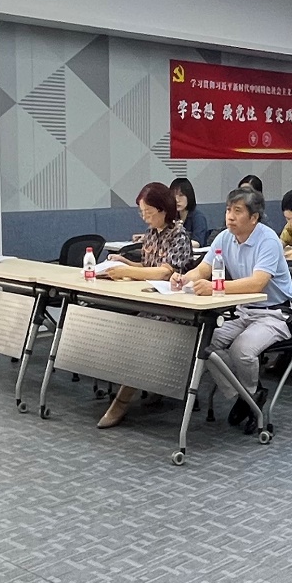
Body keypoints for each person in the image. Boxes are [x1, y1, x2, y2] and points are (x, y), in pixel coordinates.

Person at [172, 188, 292, 426]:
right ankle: (246, 396)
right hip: (242, 311)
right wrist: (184, 278)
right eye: (228, 210)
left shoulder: (268, 240)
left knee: (242, 349)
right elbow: (203, 269)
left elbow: (257, 283)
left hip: (274, 313)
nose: (230, 216)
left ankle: (249, 397)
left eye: (237, 211)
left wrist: (215, 288)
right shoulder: (224, 237)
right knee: (203, 343)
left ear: (254, 217)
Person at [95, 183, 198, 428]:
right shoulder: (152, 233)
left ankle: (121, 402)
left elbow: (164, 272)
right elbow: (147, 267)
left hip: (175, 308)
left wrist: (127, 271)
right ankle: (147, 384)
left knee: (141, 336)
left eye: (149, 212)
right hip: (152, 301)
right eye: (142, 212)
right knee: (123, 326)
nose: (145, 217)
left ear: (163, 210)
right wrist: (124, 262)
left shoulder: (179, 235)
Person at [170, 178, 209, 246]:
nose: (177, 200)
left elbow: (197, 243)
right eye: (174, 195)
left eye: (181, 195)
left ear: (189, 196)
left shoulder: (198, 217)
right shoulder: (172, 216)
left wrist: (177, 242)